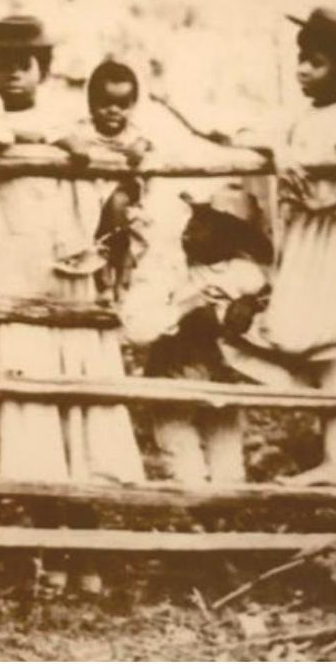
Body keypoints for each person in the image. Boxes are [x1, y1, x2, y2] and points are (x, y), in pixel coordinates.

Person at [0, 15, 145, 594]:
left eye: (24, 64)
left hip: (72, 273)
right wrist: (24, 139)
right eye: (2, 64)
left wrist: (61, 142)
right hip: (23, 278)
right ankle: (48, 549)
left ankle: (86, 549)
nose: (13, 74)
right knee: (34, 413)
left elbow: (106, 154)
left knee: (80, 409)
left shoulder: (69, 121)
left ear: (44, 70)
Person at [228, 8, 336, 487]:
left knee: (305, 332)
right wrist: (279, 153)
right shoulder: (301, 120)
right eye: (302, 59)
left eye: (318, 62)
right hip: (307, 241)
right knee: (318, 344)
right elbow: (248, 134)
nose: (304, 70)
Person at [122, 183, 271, 486]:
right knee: (184, 465)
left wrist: (249, 306)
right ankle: (196, 501)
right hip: (174, 373)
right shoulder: (168, 265)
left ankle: (226, 507)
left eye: (207, 225)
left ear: (230, 237)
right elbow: (137, 327)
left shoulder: (243, 272)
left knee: (228, 468)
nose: (192, 230)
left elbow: (267, 307)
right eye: (194, 219)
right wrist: (186, 310)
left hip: (222, 377)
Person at [59, 59, 153, 301]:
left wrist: (141, 147)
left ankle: (122, 271)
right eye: (106, 103)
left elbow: (150, 143)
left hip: (123, 196)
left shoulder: (134, 133)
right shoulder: (83, 130)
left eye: (122, 105)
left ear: (133, 105)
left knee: (117, 206)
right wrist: (74, 146)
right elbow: (61, 136)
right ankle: (102, 275)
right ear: (91, 104)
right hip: (90, 193)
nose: (114, 110)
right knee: (86, 210)